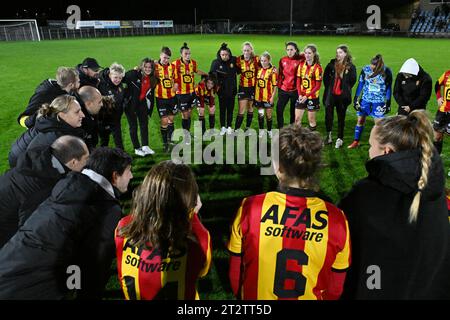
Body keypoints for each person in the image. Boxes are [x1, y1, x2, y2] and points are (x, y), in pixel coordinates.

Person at [228, 125, 351, 300]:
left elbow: (235, 273)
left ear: (279, 168)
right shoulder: (337, 219)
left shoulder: (251, 207)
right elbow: (335, 287)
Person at [339, 110, 449, 299]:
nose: (369, 150)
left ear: (387, 151)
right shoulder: (436, 190)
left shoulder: (365, 194)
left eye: (372, 145)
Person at [0, 147, 133, 300]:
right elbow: (94, 268)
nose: (131, 176)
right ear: (115, 176)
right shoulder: (108, 210)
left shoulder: (68, 183)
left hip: (8, 266)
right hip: (31, 288)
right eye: (129, 171)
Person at [115, 161, 212, 300]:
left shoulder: (123, 226)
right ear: (189, 198)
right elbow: (201, 271)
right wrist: (193, 216)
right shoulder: (199, 237)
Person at [0, 136, 89, 248]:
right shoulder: (42, 187)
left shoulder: (39, 160)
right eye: (86, 159)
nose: (88, 163)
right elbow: (31, 229)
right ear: (74, 162)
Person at [9, 95, 85, 168]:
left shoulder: (51, 120)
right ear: (62, 115)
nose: (83, 115)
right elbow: (33, 166)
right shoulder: (56, 136)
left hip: (18, 154)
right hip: (20, 163)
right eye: (77, 112)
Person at [348, 54, 392, 149]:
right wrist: (356, 98)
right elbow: (360, 84)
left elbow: (389, 88)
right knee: (360, 120)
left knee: (379, 124)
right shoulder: (365, 69)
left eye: (373, 67)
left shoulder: (387, 71)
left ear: (378, 66)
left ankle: (381, 144)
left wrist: (388, 102)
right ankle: (356, 141)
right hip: (365, 100)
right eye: (371, 65)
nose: (371, 68)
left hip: (379, 101)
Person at [323, 45, 357, 149]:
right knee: (328, 116)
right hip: (331, 95)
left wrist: (345, 87)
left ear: (346, 54)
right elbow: (325, 77)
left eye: (341, 52)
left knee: (341, 118)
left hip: (342, 96)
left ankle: (339, 138)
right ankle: (328, 136)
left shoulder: (350, 66)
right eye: (337, 52)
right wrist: (330, 87)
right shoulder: (331, 64)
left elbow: (353, 80)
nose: (338, 54)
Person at [173, 43, 207, 144]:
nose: (188, 55)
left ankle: (187, 132)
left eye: (189, 53)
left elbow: (197, 71)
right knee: (185, 115)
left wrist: (206, 74)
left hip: (191, 93)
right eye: (186, 53)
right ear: (181, 54)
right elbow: (167, 69)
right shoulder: (175, 63)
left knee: (190, 113)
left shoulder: (193, 63)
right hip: (181, 94)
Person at [123, 58, 158, 156]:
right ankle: (137, 148)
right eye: (145, 67)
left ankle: (145, 146)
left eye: (150, 67)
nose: (147, 69)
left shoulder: (152, 78)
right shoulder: (133, 74)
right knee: (133, 126)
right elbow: (121, 77)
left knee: (144, 124)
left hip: (142, 103)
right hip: (130, 104)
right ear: (141, 66)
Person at [210, 43, 238, 136]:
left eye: (226, 54)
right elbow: (211, 76)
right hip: (221, 91)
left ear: (229, 54)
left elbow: (240, 69)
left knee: (230, 109)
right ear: (219, 54)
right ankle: (223, 127)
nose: (224, 56)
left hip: (232, 90)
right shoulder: (215, 62)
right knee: (222, 109)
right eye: (222, 55)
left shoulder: (234, 60)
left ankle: (229, 126)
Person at [276, 41, 305, 129]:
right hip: (283, 89)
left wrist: (302, 55)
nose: (289, 52)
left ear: (296, 50)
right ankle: (280, 128)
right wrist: (280, 86)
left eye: (291, 50)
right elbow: (280, 74)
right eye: (288, 50)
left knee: (293, 112)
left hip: (295, 91)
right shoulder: (282, 60)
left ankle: (292, 129)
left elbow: (309, 56)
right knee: (279, 110)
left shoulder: (300, 60)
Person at [98, 62, 126, 150]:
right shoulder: (101, 84)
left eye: (120, 78)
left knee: (119, 141)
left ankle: (122, 160)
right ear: (110, 75)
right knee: (104, 141)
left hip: (116, 118)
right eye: (115, 77)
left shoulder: (120, 85)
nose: (118, 80)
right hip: (103, 120)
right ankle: (102, 160)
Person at [295, 44, 323, 131]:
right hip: (301, 95)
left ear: (314, 54)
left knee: (311, 120)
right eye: (306, 53)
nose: (307, 55)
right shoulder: (301, 65)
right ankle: (298, 139)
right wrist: (300, 94)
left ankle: (311, 140)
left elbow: (318, 86)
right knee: (297, 119)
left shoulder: (318, 68)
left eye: (309, 53)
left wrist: (306, 96)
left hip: (312, 97)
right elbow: (298, 81)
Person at [154, 47, 177, 153]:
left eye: (167, 58)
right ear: (160, 55)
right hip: (160, 98)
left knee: (171, 120)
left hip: (172, 98)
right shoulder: (155, 66)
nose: (165, 60)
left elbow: (176, 78)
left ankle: (171, 140)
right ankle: (165, 143)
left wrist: (176, 84)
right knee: (164, 121)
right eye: (164, 58)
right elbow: (144, 68)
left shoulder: (172, 66)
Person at [235, 42, 259, 134]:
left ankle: (248, 128)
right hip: (242, 88)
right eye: (244, 50)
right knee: (241, 110)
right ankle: (236, 130)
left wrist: (272, 68)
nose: (246, 52)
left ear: (251, 50)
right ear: (242, 50)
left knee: (250, 108)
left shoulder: (256, 59)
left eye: (248, 50)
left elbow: (266, 63)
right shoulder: (238, 59)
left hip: (253, 88)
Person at [254, 51, 277, 139]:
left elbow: (275, 86)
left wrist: (272, 97)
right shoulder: (259, 69)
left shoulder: (272, 71)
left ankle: (269, 130)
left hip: (267, 98)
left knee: (268, 115)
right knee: (261, 114)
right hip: (258, 97)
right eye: (262, 60)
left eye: (265, 61)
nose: (263, 62)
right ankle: (261, 130)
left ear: (269, 60)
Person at [78, 85, 103, 150]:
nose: (102, 104)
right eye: (99, 102)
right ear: (88, 104)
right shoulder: (79, 121)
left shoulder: (91, 112)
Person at [432, 67, 450, 154]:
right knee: (436, 136)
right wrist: (439, 97)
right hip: (443, 111)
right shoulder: (447, 74)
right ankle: (436, 159)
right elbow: (437, 85)